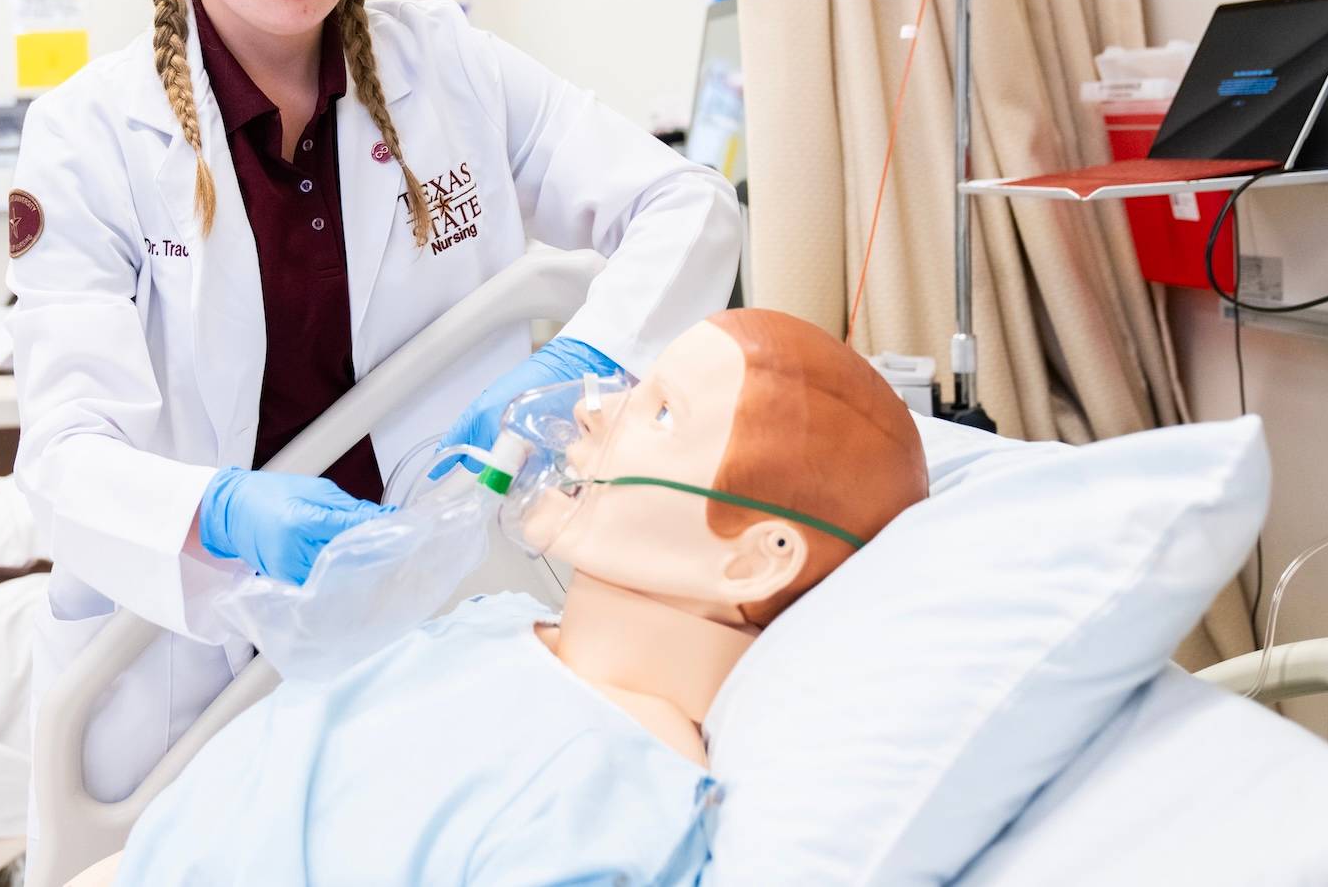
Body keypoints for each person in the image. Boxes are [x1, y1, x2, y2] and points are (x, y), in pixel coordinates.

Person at [7, 0, 743, 805]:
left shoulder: (449, 71)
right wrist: (218, 510)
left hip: (432, 601)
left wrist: (578, 356)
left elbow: (688, 204)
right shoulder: (90, 135)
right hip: (189, 638)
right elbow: (66, 453)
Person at [90, 309, 930, 884]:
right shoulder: (490, 629)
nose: (594, 409)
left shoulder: (608, 808)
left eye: (662, 412)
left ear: (755, 559)